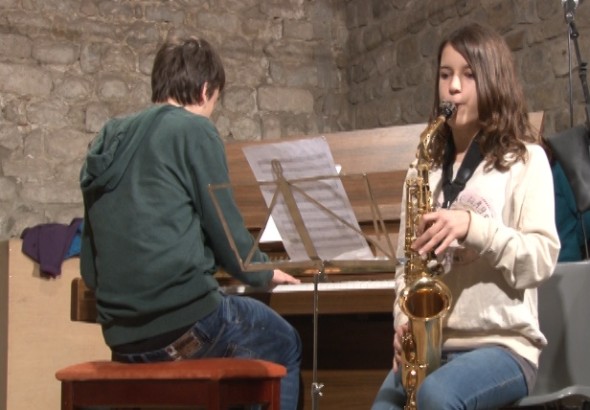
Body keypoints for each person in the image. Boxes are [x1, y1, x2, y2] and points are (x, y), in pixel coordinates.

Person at [79, 37, 302, 410]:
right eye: (214, 102)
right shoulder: (193, 130)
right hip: (185, 329)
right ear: (204, 90)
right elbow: (229, 237)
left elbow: (90, 268)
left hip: (121, 339)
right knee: (284, 343)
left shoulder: (107, 139)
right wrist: (264, 271)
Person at [372, 22, 560, 410]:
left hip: (504, 347)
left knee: (438, 395)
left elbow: (541, 259)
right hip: (433, 347)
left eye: (468, 75)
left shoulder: (526, 160)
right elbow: (406, 266)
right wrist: (403, 323)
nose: (453, 87)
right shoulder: (423, 171)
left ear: (493, 80)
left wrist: (473, 227)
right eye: (445, 75)